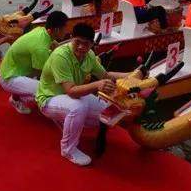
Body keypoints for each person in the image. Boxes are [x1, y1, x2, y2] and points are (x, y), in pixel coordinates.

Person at [36, 23, 135, 166]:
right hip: (49, 98)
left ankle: (65, 119)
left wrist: (132, 75)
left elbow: (105, 75)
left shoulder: (89, 55)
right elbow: (71, 90)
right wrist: (97, 85)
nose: (81, 47)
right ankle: (68, 150)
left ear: (92, 45)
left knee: (107, 115)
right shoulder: (60, 56)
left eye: (86, 44)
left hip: (71, 96)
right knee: (77, 107)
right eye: (78, 42)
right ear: (71, 39)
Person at [0, 10, 69, 114]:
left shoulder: (41, 30)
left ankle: (17, 96)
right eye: (65, 28)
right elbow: (44, 74)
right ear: (57, 30)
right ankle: (52, 111)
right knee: (49, 89)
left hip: (12, 68)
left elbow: (54, 45)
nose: (66, 31)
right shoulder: (41, 48)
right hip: (9, 77)